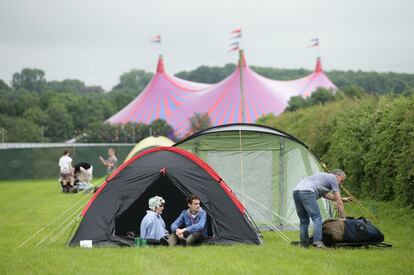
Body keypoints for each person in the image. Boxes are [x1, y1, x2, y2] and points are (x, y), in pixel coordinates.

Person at [293, 169, 353, 248]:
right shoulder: (333, 179)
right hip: (307, 192)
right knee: (317, 218)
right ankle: (318, 243)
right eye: (341, 181)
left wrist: (342, 199)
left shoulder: (324, 177)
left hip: (296, 192)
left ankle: (304, 244)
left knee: (304, 220)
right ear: (338, 176)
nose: (340, 184)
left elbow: (325, 195)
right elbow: (339, 203)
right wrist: (343, 221)